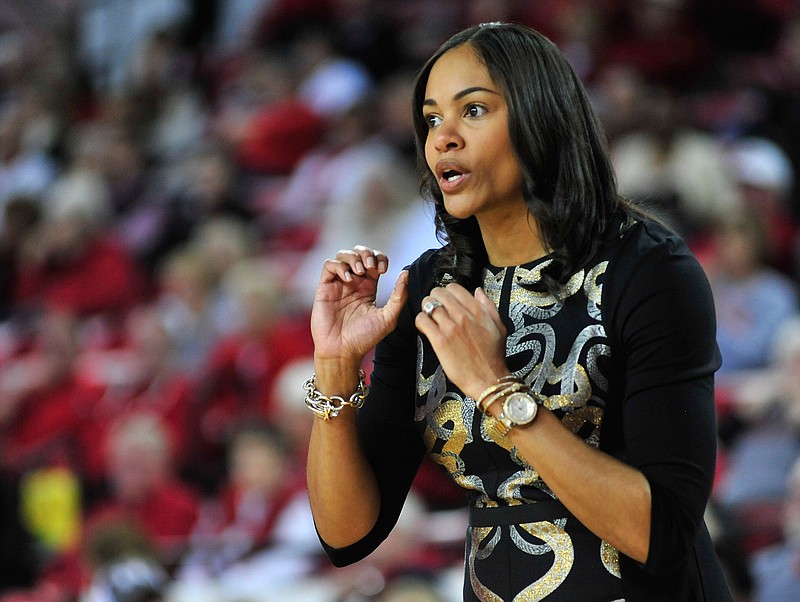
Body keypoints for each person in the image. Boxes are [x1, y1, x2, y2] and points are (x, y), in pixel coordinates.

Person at [305, 22, 732, 601]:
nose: (443, 139)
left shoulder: (649, 270)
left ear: (540, 119)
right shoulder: (432, 287)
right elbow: (347, 534)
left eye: (473, 111)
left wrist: (497, 390)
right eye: (431, 119)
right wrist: (335, 365)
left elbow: (662, 532)